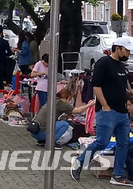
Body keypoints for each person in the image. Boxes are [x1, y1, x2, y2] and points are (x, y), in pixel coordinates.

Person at [71, 36, 133, 185]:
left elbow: (119, 87)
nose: (128, 54)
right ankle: (79, 162)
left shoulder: (121, 66)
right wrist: (104, 105)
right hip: (108, 111)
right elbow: (96, 85)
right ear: (117, 48)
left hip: (122, 112)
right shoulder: (103, 63)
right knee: (102, 142)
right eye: (126, 51)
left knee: (123, 143)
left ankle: (117, 176)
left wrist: (127, 96)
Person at [30, 88, 94, 148]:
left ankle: (42, 141)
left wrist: (66, 116)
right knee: (65, 124)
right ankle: (52, 143)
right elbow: (78, 111)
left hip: (34, 132)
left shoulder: (53, 101)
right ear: (67, 98)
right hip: (41, 132)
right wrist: (89, 105)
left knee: (58, 123)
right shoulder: (61, 104)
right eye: (70, 99)